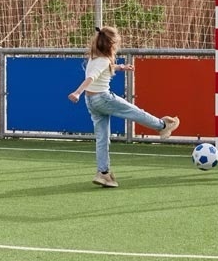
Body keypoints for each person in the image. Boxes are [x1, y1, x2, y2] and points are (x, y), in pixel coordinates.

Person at [67, 26, 180, 188]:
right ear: (112, 45)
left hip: (91, 102)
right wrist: (77, 92)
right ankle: (162, 126)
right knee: (134, 112)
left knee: (102, 138)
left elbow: (101, 70)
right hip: (103, 98)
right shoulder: (104, 60)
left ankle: (103, 173)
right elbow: (91, 77)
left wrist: (121, 67)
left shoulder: (94, 58)